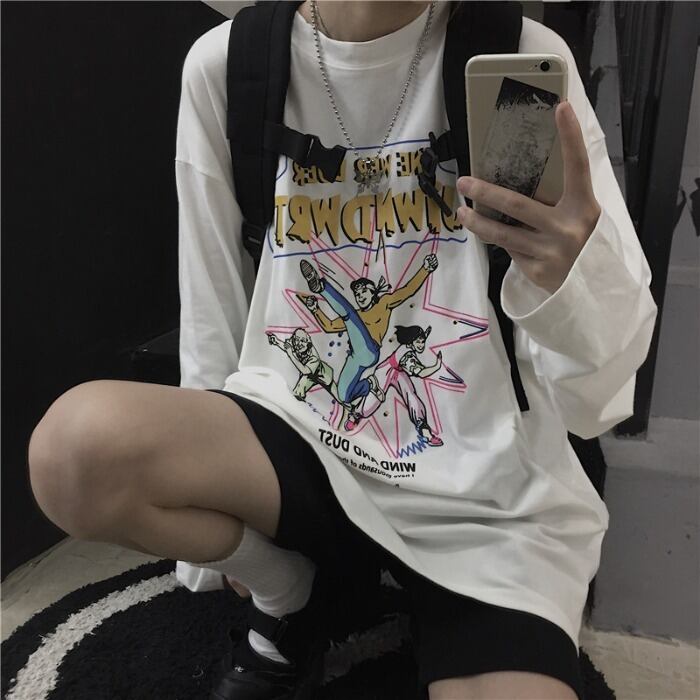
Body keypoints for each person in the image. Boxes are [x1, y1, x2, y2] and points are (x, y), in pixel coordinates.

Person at [27, 1, 658, 699]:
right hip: (298, 442)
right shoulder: (233, 66)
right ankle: (292, 589)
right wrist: (225, 531)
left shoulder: (513, 59)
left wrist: (571, 275)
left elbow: (597, 397)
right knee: (74, 455)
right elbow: (213, 305)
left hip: (483, 494)